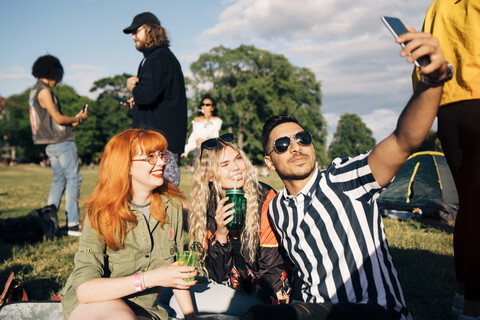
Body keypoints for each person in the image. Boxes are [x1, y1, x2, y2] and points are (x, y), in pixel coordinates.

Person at [241, 26, 453, 320]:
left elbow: (404, 140)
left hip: (374, 314)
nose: (296, 147)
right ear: (269, 161)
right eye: (282, 144)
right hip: (315, 312)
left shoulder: (343, 178)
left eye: (303, 138)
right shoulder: (277, 209)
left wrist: (432, 80)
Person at [60, 129, 210, 320]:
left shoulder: (172, 205)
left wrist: (191, 317)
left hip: (145, 309)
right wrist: (152, 278)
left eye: (162, 154)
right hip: (95, 304)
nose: (162, 161)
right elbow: (85, 291)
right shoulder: (101, 212)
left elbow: (176, 271)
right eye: (150, 157)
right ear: (126, 166)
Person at [412, 2, 480, 319]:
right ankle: (473, 308)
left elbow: (422, 65)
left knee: (470, 205)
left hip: (448, 109)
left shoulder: (437, 6)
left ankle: (462, 298)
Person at [187, 134, 290, 306]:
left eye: (237, 159)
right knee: (179, 300)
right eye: (225, 164)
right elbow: (217, 275)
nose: (236, 167)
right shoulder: (209, 206)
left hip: (268, 295)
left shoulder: (265, 199)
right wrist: (221, 233)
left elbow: (272, 270)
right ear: (210, 176)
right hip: (234, 289)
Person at [122, 12, 188, 187]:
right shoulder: (156, 58)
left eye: (136, 31)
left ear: (150, 30)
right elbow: (152, 99)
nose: (133, 37)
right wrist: (135, 104)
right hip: (157, 142)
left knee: (165, 197)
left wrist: (132, 88)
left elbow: (146, 95)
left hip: (160, 145)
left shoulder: (158, 58)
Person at [29, 54, 87, 236]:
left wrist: (74, 121)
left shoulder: (34, 91)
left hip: (49, 143)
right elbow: (59, 118)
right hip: (61, 141)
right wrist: (77, 118)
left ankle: (49, 223)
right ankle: (72, 224)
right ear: (53, 72)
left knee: (59, 181)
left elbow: (55, 120)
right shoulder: (44, 91)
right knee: (73, 179)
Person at [182, 95, 222, 165]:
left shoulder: (217, 120)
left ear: (212, 108)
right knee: (198, 174)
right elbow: (194, 136)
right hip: (199, 150)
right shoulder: (197, 120)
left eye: (207, 105)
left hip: (211, 150)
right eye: (203, 104)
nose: (204, 107)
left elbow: (213, 135)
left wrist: (207, 120)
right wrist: (186, 150)